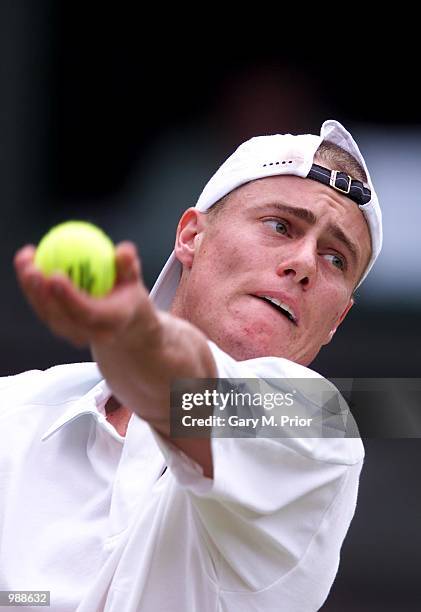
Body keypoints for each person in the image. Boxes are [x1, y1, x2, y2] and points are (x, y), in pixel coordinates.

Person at [2, 119, 382, 612]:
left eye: (336, 259)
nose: (304, 263)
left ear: (338, 319)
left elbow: (189, 397)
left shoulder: (322, 427)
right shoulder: (12, 414)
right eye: (280, 226)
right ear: (191, 235)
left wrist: (132, 334)